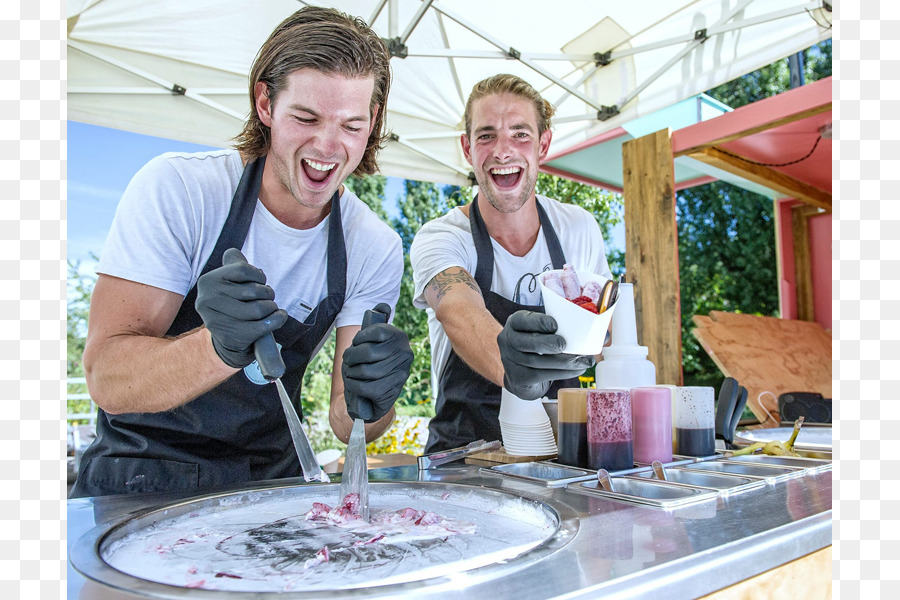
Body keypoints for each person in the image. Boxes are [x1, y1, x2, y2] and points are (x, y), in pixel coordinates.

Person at [71, 6, 414, 498]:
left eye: (352, 125)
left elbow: (346, 420)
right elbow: (107, 377)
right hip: (141, 481)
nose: (328, 146)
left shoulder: (372, 245)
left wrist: (377, 398)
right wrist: (217, 347)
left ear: (373, 121)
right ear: (266, 104)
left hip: (270, 487)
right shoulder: (181, 190)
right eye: (306, 117)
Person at [410, 74, 612, 453]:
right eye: (486, 135)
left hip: (564, 456)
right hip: (464, 461)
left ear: (544, 144)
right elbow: (457, 308)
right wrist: (512, 368)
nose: (503, 151)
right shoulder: (442, 236)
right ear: (467, 148)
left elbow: (604, 336)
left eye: (520, 133)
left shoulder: (578, 229)